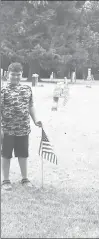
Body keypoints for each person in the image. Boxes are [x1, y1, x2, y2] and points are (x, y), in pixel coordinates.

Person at [1, 62, 42, 191]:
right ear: (8, 75)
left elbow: (30, 106)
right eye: (13, 75)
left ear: (22, 75)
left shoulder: (26, 89)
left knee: (23, 154)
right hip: (7, 130)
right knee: (6, 155)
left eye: (18, 75)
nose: (16, 78)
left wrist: (36, 120)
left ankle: (25, 178)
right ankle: (6, 180)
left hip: (23, 129)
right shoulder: (3, 90)